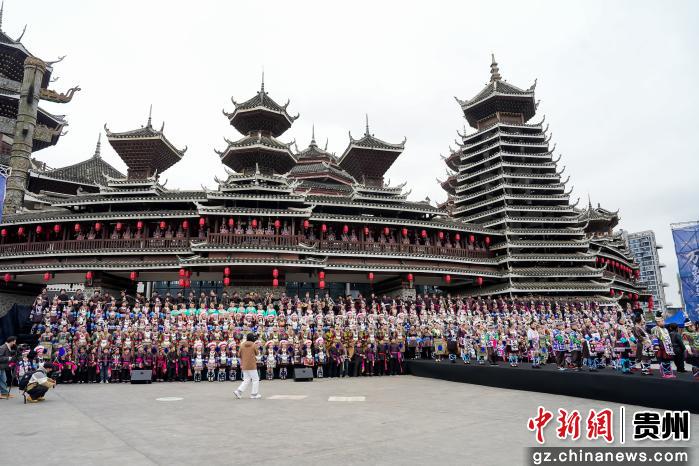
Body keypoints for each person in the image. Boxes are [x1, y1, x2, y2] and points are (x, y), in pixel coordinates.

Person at [234, 333, 261, 399]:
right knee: (255, 379)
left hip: (244, 365)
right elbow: (257, 353)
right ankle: (254, 394)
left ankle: (239, 391)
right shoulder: (253, 345)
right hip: (252, 365)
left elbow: (239, 355)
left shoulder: (242, 345)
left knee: (246, 380)